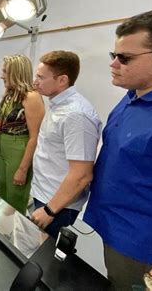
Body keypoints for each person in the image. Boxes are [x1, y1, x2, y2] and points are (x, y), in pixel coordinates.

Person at [83, 7, 152, 291]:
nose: (114, 64)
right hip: (114, 229)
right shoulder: (132, 97)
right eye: (113, 56)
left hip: (146, 249)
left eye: (125, 58)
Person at [30, 50, 101, 238]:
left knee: (46, 259)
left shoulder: (76, 115)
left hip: (58, 205)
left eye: (40, 77)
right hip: (44, 193)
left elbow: (81, 175)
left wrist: (50, 210)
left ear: (62, 80)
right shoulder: (56, 105)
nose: (35, 82)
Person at [0, 55, 44, 215]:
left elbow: (35, 137)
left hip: (18, 148)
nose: (2, 76)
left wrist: (23, 169)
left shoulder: (31, 97)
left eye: (5, 72)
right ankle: (2, 228)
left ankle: (14, 234)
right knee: (1, 190)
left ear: (16, 73)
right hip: (1, 145)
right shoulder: (10, 94)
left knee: (14, 198)